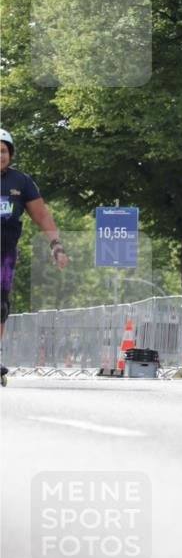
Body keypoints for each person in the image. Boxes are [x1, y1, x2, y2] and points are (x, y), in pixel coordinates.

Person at [0, 129, 67, 383]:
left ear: (11, 153)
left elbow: (41, 216)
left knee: (0, 305)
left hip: (4, 252)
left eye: (4, 150)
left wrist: (56, 245)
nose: (0, 155)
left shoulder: (21, 182)